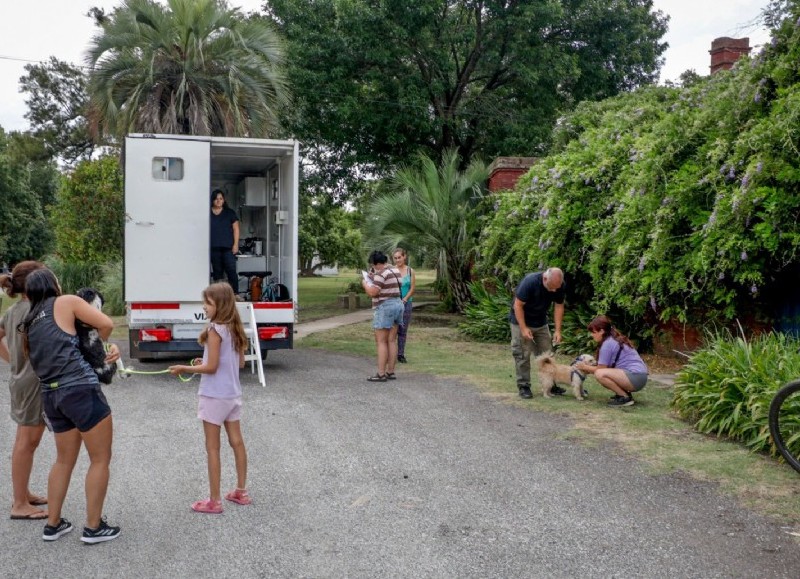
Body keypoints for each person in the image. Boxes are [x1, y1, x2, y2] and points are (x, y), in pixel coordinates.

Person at [20, 268, 121, 543]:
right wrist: (106, 347)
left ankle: (53, 524)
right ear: (54, 284)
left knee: (63, 460)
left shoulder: (30, 321)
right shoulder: (66, 302)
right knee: (100, 459)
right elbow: (106, 323)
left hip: (51, 396)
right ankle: (93, 526)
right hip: (80, 390)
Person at [168, 282, 251, 514]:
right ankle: (241, 491)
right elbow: (240, 363)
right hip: (232, 395)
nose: (204, 307)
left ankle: (214, 501)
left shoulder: (215, 329)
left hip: (214, 396)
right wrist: (201, 363)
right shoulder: (235, 328)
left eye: (208, 303)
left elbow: (212, 367)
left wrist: (185, 368)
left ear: (220, 305)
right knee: (237, 442)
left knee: (212, 448)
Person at [0, 261, 49, 520]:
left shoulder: (14, 310)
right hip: (32, 383)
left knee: (26, 440)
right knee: (27, 442)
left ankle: (24, 493)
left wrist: (13, 362)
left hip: (20, 380)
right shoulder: (36, 310)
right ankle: (19, 504)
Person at [509, 267, 566, 399]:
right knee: (522, 354)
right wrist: (523, 328)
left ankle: (551, 385)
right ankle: (524, 386)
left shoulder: (559, 285)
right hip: (520, 321)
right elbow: (517, 306)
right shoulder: (530, 282)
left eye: (557, 288)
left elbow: (559, 305)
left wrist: (558, 330)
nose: (554, 291)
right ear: (545, 278)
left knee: (547, 354)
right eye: (551, 287)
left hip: (540, 322)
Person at [576, 315, 649, 407]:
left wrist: (584, 367)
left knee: (600, 374)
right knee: (601, 372)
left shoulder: (607, 344)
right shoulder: (612, 339)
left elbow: (600, 369)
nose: (592, 335)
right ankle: (622, 394)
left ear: (602, 331)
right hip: (639, 376)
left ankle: (624, 397)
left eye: (593, 332)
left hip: (635, 377)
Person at [361, 250, 404, 382]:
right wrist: (374, 277)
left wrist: (365, 284)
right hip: (398, 304)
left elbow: (373, 292)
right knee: (391, 340)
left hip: (385, 307)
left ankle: (381, 373)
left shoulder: (380, 273)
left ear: (376, 264)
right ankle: (390, 371)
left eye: (373, 265)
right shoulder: (395, 271)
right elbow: (390, 283)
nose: (373, 268)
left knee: (381, 341)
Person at [210, 189, 240, 291]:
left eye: (220, 198)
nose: (218, 201)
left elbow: (236, 229)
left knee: (231, 271)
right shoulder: (207, 212)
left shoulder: (230, 213)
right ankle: (219, 296)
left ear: (224, 200)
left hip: (228, 248)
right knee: (217, 273)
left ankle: (235, 294)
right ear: (212, 200)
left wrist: (235, 245)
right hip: (214, 248)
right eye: (216, 199)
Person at [392, 248, 416, 364]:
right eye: (395, 258)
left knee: (403, 330)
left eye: (399, 257)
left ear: (404, 257)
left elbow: (412, 288)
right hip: (393, 303)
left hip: (406, 303)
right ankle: (389, 354)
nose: (398, 260)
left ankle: (400, 354)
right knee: (391, 330)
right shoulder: (391, 270)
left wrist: (405, 299)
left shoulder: (410, 271)